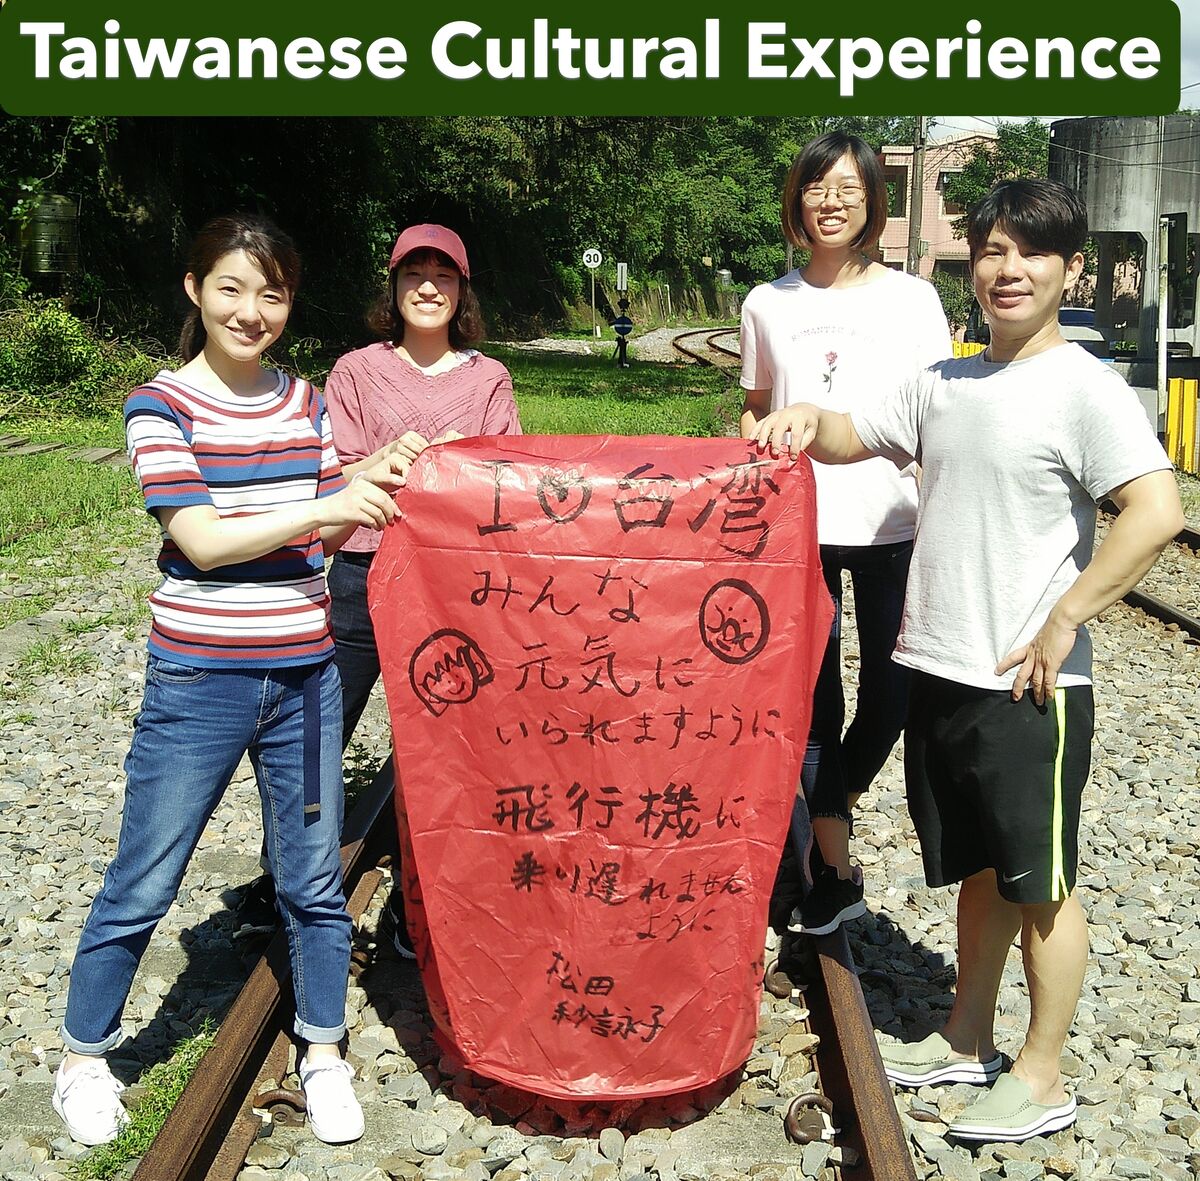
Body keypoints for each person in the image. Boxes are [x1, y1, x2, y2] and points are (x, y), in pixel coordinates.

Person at [749, 177, 1183, 1142]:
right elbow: (852, 435)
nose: (1007, 269)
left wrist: (1068, 616)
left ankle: (1042, 1074)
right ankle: (965, 1036)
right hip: (943, 672)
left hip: (1029, 686)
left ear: (1071, 269)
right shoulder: (945, 381)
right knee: (982, 873)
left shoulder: (1084, 387)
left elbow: (1157, 510)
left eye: (1031, 252)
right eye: (992, 250)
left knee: (1042, 890)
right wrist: (803, 416)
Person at [53, 214, 407, 1148]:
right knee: (146, 876)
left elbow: (323, 532)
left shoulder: (306, 401)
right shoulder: (159, 406)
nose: (252, 312)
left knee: (313, 880)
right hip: (200, 680)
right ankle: (83, 1058)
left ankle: (322, 1049)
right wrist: (330, 501)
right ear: (195, 290)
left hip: (306, 680)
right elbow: (202, 540)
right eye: (233, 289)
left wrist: (369, 480)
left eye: (272, 293)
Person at [739, 131, 952, 936]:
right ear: (797, 201)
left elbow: (937, 408)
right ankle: (832, 865)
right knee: (816, 702)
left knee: (892, 698)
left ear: (872, 201)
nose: (830, 202)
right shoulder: (767, 303)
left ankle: (833, 805)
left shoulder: (913, 299)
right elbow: (756, 406)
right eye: (816, 188)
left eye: (847, 189)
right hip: (799, 531)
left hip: (895, 522)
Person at [324, 223, 522, 955]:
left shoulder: (489, 378)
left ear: (463, 290)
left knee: (446, 746)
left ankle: (425, 894)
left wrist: (451, 465)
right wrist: (381, 459)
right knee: (318, 730)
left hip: (452, 584)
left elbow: (508, 477)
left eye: (444, 274)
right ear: (395, 285)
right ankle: (295, 884)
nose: (428, 287)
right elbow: (330, 473)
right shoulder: (355, 371)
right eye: (414, 273)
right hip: (361, 572)